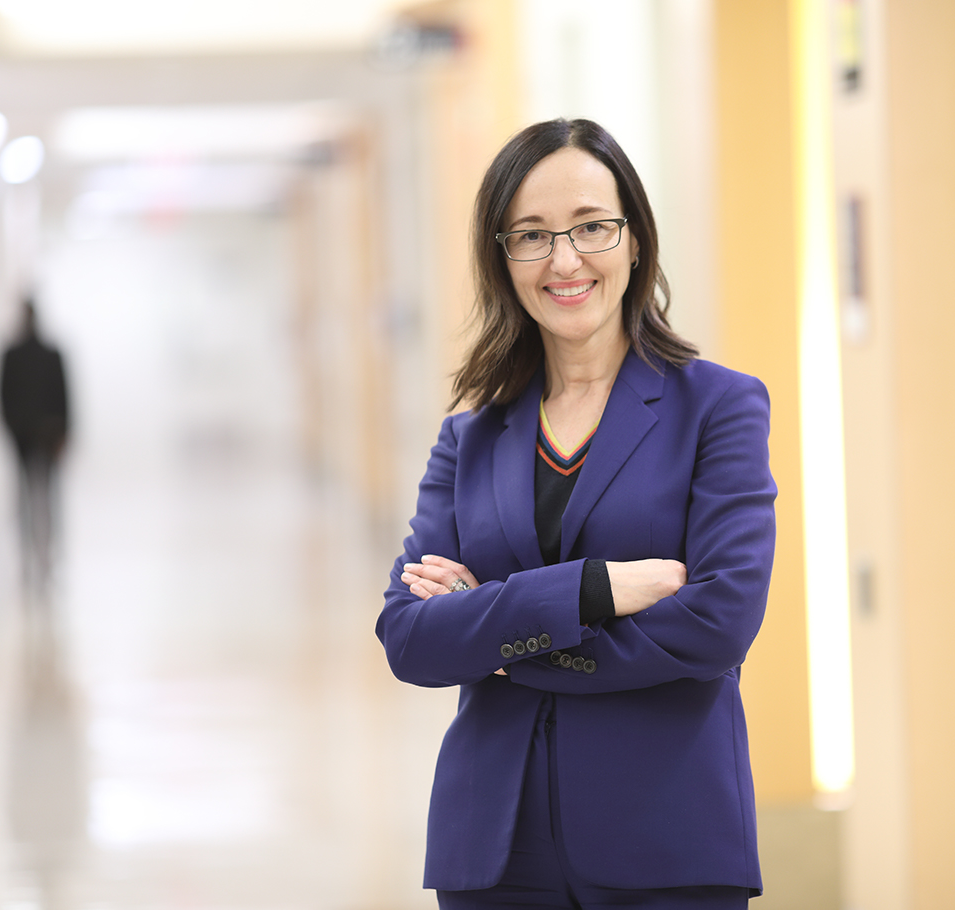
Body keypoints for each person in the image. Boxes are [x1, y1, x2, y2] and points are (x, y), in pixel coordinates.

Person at [377, 118, 776, 908]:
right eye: (531, 235)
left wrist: (497, 636)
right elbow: (410, 637)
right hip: (495, 847)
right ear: (503, 259)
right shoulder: (471, 435)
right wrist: (593, 592)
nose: (564, 260)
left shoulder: (718, 408)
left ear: (634, 239)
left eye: (591, 227)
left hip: (665, 835)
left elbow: (720, 620)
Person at [0, 298, 70, 592]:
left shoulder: (42, 354)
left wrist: (62, 432)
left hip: (39, 438)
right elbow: (2, 398)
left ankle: (44, 557)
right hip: (30, 439)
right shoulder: (17, 355)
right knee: (33, 501)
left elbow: (64, 397)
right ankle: (34, 557)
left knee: (42, 500)